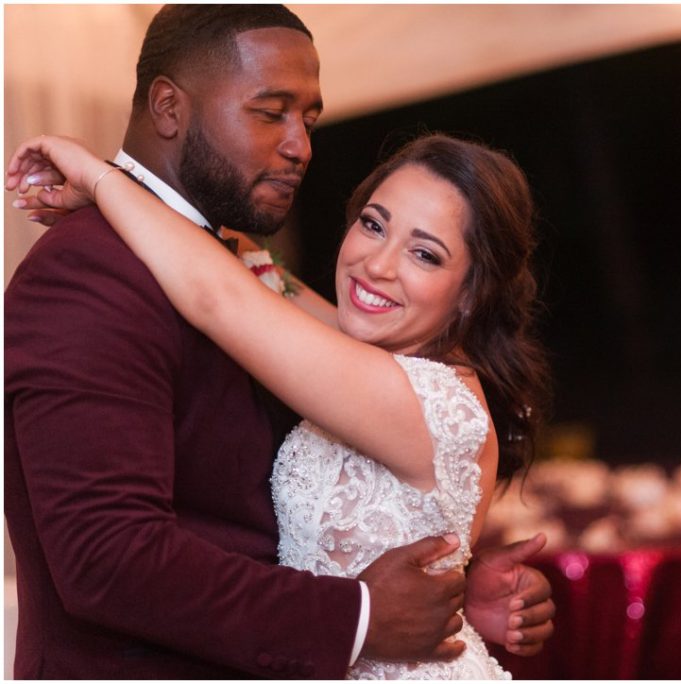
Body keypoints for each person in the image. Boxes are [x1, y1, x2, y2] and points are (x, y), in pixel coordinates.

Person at [4, 5, 552, 679]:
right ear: (169, 108)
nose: (301, 145)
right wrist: (360, 615)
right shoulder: (90, 270)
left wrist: (101, 181)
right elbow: (106, 558)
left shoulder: (239, 286)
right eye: (272, 112)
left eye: (310, 119)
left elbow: (225, 298)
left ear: (471, 291)